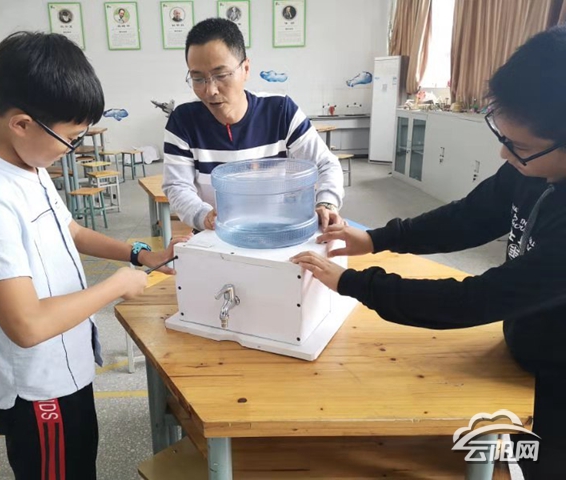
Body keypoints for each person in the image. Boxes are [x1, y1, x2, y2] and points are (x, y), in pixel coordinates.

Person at [291, 26, 566, 479]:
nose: (504, 154)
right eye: (502, 136)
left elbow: (473, 300)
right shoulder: (531, 167)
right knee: (515, 451)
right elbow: (470, 216)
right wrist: (376, 239)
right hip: (527, 344)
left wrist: (352, 283)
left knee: (543, 464)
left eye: (520, 147)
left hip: (557, 378)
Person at [0, 32, 189, 479]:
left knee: (79, 463)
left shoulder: (27, 164)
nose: (70, 151)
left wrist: (140, 255)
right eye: (71, 139)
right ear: (22, 124)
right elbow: (26, 325)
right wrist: (116, 286)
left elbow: (71, 230)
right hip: (38, 388)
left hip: (65, 367)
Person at [163, 18, 344, 232]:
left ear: (246, 69)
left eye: (221, 75)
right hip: (216, 235)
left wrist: (326, 203)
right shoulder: (183, 121)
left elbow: (325, 164)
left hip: (279, 231)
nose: (210, 90)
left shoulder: (280, 111)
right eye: (198, 78)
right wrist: (205, 216)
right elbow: (177, 186)